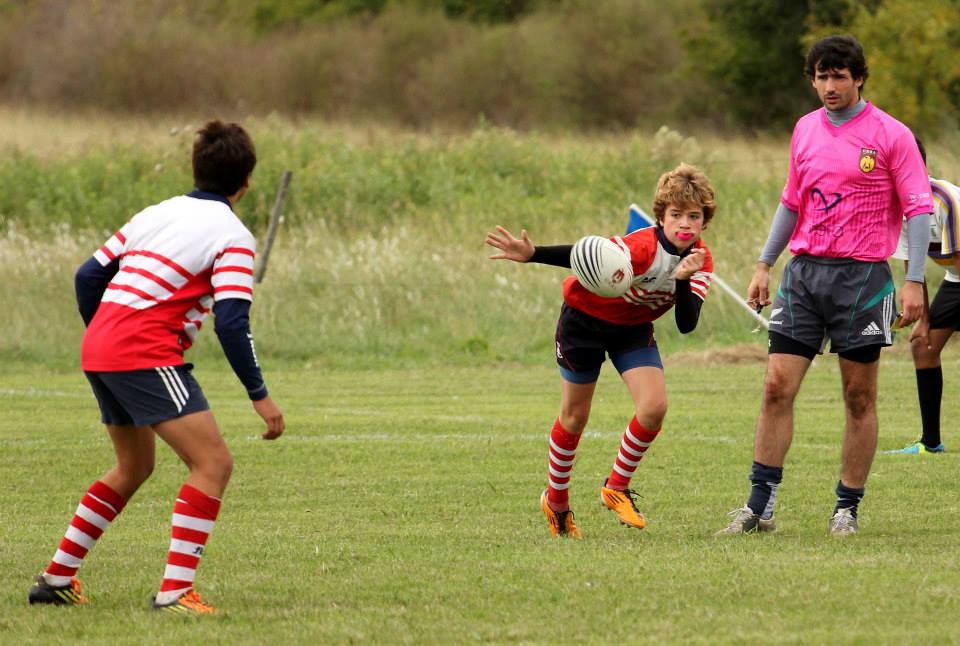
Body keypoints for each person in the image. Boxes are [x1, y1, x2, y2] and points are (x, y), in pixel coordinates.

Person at [28, 120, 285, 613]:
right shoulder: (233, 234)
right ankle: (175, 593)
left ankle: (57, 579)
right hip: (140, 351)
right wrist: (260, 395)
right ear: (246, 182)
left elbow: (88, 275)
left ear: (196, 168)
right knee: (213, 463)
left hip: (101, 346)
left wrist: (104, 329)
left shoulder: (157, 212)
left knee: (135, 466)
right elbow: (232, 321)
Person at [716, 34, 933, 537]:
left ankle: (846, 507)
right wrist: (764, 264)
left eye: (839, 76)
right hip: (804, 276)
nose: (829, 86)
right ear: (811, 79)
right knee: (775, 387)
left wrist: (916, 280)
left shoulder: (892, 135)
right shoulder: (804, 130)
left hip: (863, 280)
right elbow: (792, 200)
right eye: (821, 76)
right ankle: (759, 506)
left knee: (858, 398)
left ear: (858, 78)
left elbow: (919, 210)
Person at [486, 163, 716, 538]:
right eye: (676, 215)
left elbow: (687, 323)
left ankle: (616, 487)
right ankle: (556, 501)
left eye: (694, 216)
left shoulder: (699, 261)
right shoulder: (641, 246)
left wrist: (682, 280)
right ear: (661, 217)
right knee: (575, 417)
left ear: (705, 221)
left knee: (654, 407)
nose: (684, 224)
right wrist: (532, 254)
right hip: (584, 322)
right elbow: (586, 253)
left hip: (631, 329)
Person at [887, 138, 959, 455]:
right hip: (955, 278)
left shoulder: (946, 199)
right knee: (922, 343)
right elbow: (913, 269)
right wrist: (922, 321)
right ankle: (930, 443)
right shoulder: (898, 208)